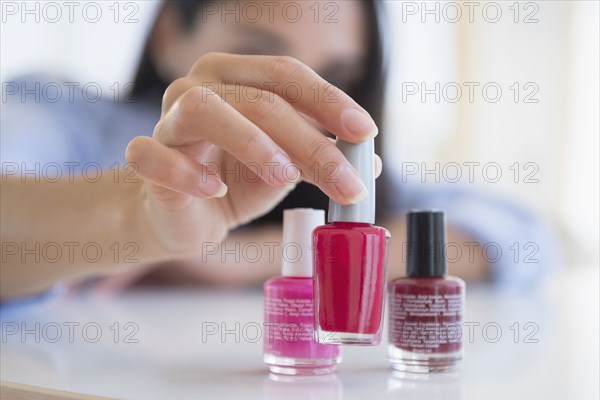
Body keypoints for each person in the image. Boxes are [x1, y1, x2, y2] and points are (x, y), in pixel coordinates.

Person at [0, 1, 555, 300]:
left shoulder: (358, 170)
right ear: (169, 34)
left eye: (338, 76)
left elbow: (520, 235)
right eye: (257, 59)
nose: (300, 106)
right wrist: (133, 219)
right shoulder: (56, 111)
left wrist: (253, 259)